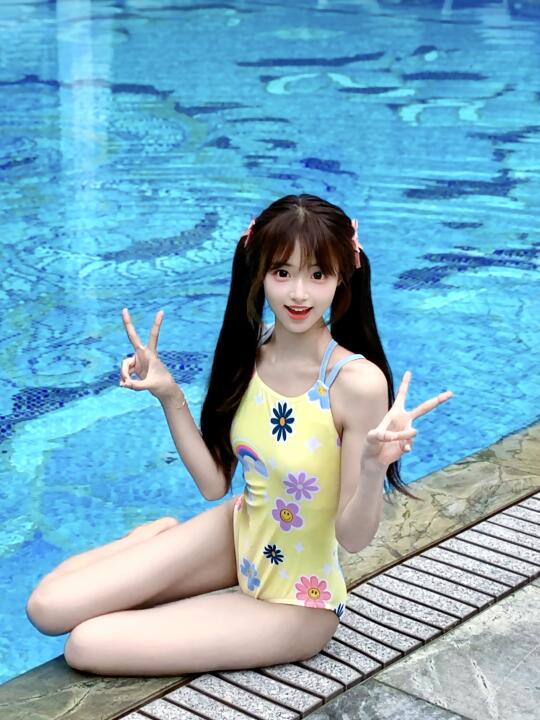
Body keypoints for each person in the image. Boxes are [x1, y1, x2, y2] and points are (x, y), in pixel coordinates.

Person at [26, 193, 453, 677]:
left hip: (296, 602)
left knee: (87, 644)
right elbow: (214, 484)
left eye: (318, 275)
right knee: (47, 608)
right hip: (238, 534)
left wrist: (373, 468)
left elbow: (352, 538)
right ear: (259, 274)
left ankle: (159, 551)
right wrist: (170, 395)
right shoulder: (249, 352)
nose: (299, 294)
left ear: (342, 278)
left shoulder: (355, 383)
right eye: (282, 272)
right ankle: (154, 537)